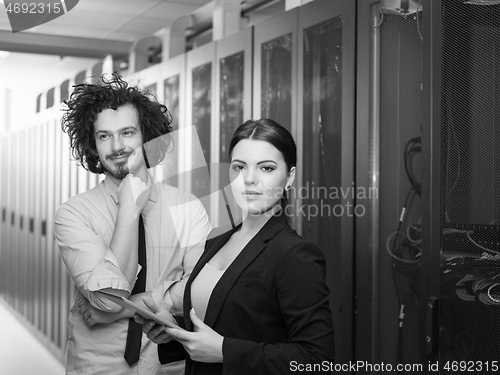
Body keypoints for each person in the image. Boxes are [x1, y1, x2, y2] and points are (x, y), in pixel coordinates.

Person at [139, 118, 335, 374]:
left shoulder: (294, 254)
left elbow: (317, 360)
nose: (249, 179)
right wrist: (174, 332)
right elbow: (226, 323)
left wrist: (223, 351)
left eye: (266, 168)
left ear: (290, 177)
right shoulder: (216, 241)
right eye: (239, 166)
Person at [54, 73, 211, 375]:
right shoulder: (74, 213)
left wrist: (134, 304)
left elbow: (200, 290)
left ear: (147, 136)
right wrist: (128, 208)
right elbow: (108, 300)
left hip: (168, 366)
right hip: (99, 367)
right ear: (93, 144)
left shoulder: (187, 206)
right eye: (104, 136)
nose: (116, 146)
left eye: (127, 133)